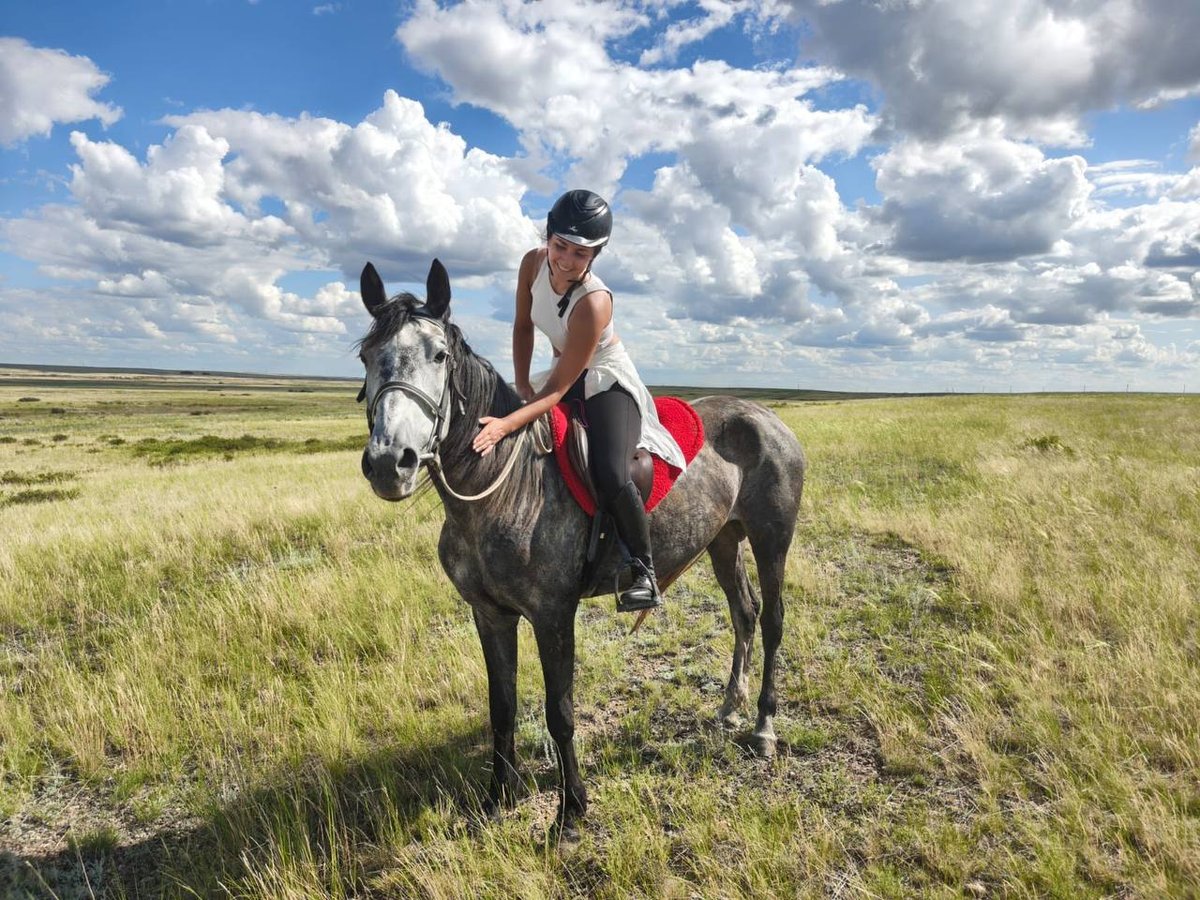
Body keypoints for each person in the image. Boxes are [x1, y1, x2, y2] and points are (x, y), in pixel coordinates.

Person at [472, 189, 687, 612]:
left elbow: (556, 392)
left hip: (604, 376)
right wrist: (519, 385)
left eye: (581, 253)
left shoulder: (594, 302)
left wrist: (508, 422)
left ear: (596, 256)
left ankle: (642, 570)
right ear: (548, 238)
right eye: (560, 246)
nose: (566, 260)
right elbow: (521, 327)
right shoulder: (532, 263)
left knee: (610, 468)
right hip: (559, 369)